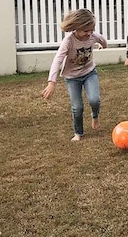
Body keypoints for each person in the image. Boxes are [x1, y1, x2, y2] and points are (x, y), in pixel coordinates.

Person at [42, 9, 108, 141]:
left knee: (94, 100)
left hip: (89, 73)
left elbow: (102, 40)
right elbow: (58, 60)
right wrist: (52, 82)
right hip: (72, 78)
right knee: (77, 107)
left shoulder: (93, 36)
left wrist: (103, 46)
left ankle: (95, 116)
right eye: (85, 30)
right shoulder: (69, 41)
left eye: (91, 29)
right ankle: (78, 133)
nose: (89, 33)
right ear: (76, 28)